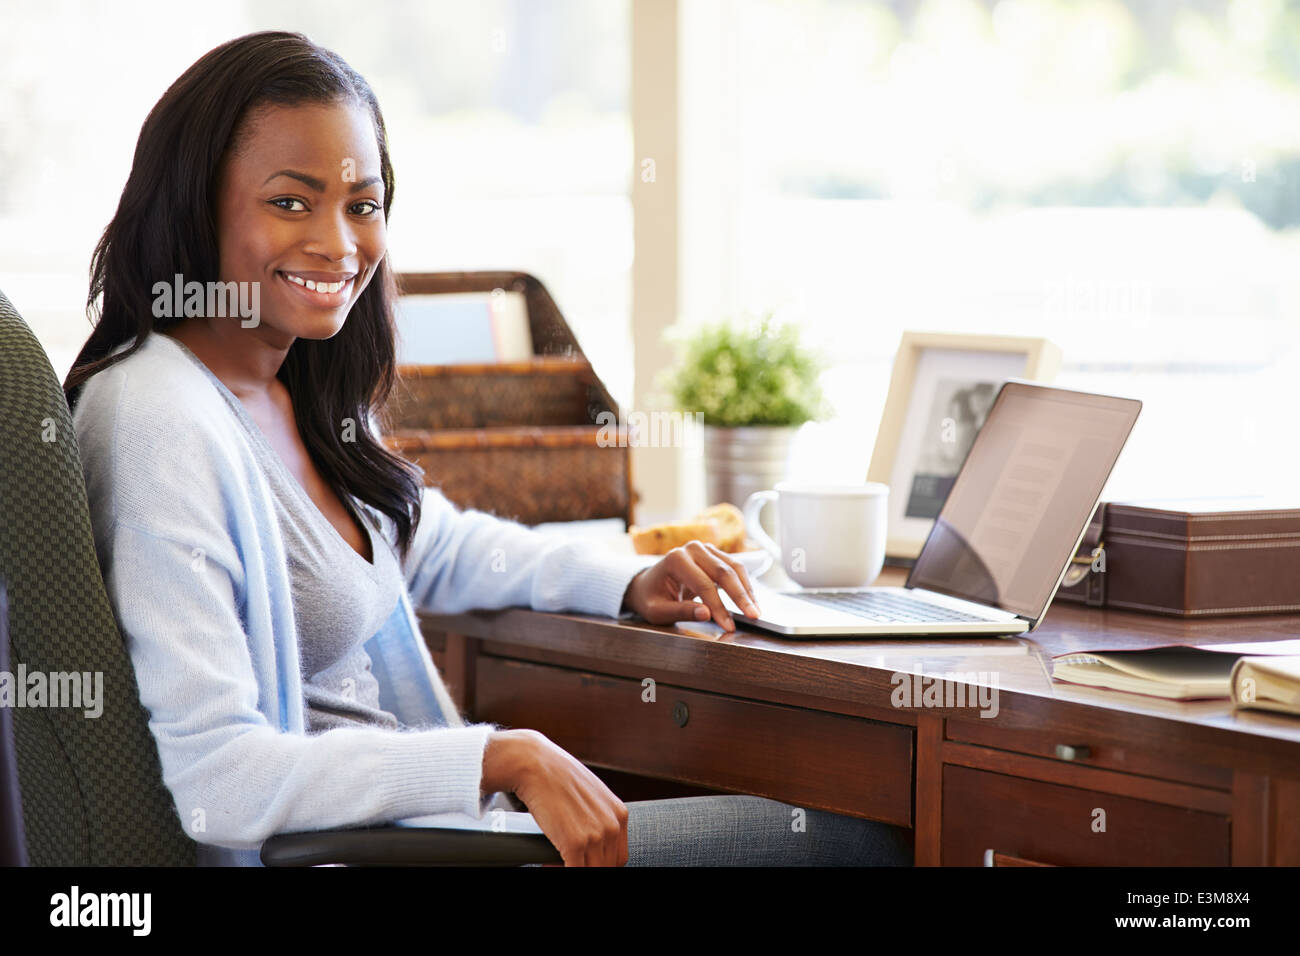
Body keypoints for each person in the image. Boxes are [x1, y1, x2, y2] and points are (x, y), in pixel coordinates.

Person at [64, 30, 913, 868]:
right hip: (385, 853)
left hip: (431, 838)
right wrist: (498, 757)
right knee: (850, 846)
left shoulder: (289, 390)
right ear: (193, 203)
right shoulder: (157, 415)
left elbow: (429, 542)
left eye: (363, 204)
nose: (339, 242)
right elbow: (223, 778)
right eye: (291, 201)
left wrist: (626, 577)